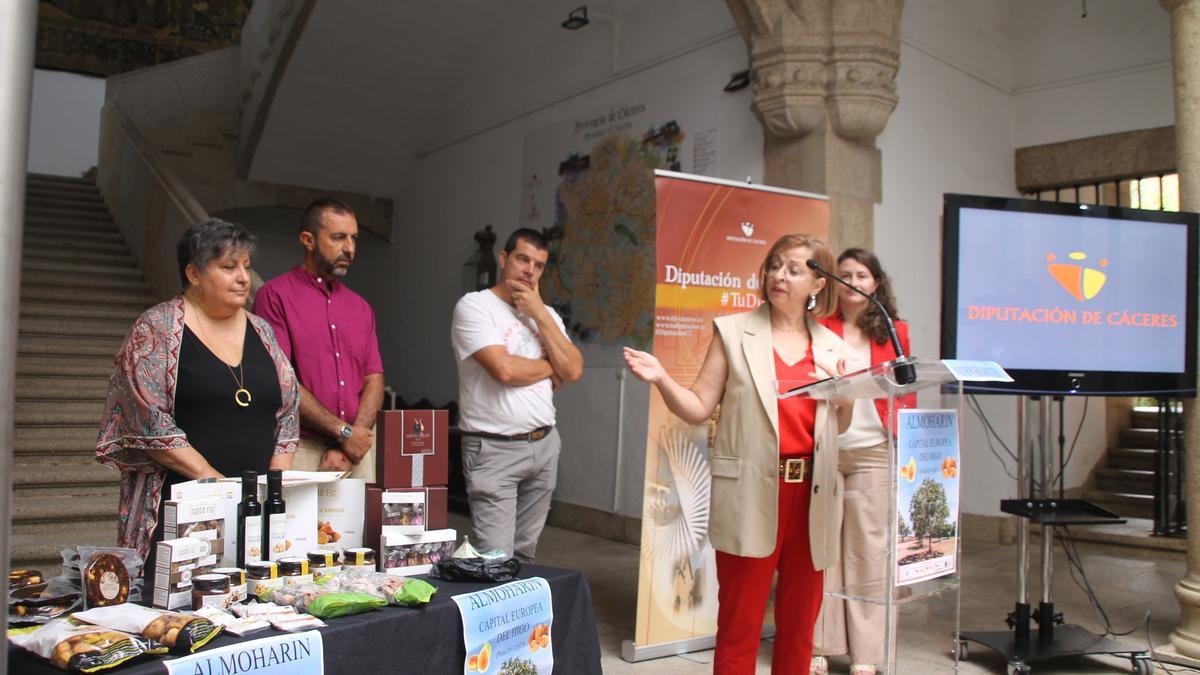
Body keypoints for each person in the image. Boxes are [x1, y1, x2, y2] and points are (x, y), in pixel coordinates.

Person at [624, 234, 851, 674]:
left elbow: (837, 427)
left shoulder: (831, 347)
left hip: (813, 495)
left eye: (794, 269)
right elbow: (698, 406)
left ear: (818, 284)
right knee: (740, 626)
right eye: (774, 265)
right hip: (750, 492)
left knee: (800, 627)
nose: (779, 276)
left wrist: (845, 399)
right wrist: (663, 379)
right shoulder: (733, 331)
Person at [96, 218, 299, 573]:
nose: (243, 278)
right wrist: (218, 487)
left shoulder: (263, 331)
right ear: (193, 273)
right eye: (228, 267)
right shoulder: (156, 328)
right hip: (182, 507)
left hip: (256, 513)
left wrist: (271, 488)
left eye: (246, 267)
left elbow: (287, 413)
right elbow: (147, 418)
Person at [811, 247, 916, 675]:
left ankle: (867, 655)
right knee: (821, 550)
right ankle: (817, 644)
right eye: (845, 273)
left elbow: (907, 388)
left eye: (862, 274)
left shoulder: (893, 331)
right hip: (826, 447)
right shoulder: (817, 326)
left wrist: (908, 442)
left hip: (875, 451)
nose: (853, 280)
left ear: (876, 283)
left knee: (869, 552)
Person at [450, 228, 584, 562]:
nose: (530, 270)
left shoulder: (547, 316)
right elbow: (505, 370)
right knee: (494, 558)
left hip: (544, 445)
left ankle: (518, 616)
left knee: (525, 554)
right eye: (523, 259)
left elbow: (575, 369)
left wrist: (539, 313)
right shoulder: (475, 306)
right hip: (493, 448)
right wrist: (551, 367)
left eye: (539, 265)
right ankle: (491, 614)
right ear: (504, 258)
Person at [253, 198, 384, 480]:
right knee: (295, 526)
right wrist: (343, 432)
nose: (349, 248)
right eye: (338, 237)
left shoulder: (361, 307)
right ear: (308, 240)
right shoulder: (275, 296)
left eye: (353, 238)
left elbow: (374, 378)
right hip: (300, 447)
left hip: (357, 451)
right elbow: (281, 380)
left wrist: (353, 440)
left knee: (362, 526)